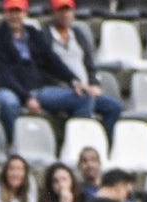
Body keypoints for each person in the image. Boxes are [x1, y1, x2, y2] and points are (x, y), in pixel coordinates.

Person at [0, 0, 103, 143]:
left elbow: (52, 61)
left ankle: (74, 143)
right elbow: (1, 75)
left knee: (84, 97)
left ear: (25, 13)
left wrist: (73, 80)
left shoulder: (34, 34)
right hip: (10, 89)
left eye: (18, 12)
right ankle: (14, 142)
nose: (15, 16)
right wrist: (26, 97)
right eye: (11, 12)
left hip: (37, 89)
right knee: (8, 102)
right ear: (5, 14)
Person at [42, 0, 123, 138]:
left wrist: (94, 84)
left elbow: (89, 65)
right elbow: (42, 68)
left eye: (68, 10)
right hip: (59, 89)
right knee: (84, 99)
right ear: (53, 13)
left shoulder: (78, 34)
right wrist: (65, 84)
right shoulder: (44, 36)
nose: (65, 14)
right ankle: (82, 140)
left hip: (85, 88)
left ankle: (104, 142)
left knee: (113, 107)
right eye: (61, 10)